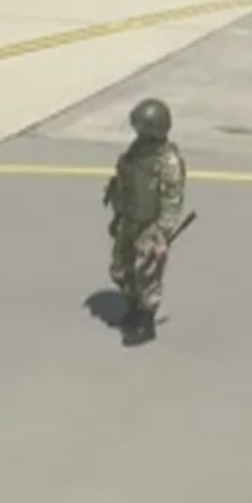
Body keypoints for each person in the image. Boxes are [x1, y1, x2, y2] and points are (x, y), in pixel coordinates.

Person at [103, 98, 187, 346]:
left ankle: (145, 321)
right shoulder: (137, 151)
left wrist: (162, 235)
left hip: (151, 226)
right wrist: (117, 215)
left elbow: (171, 199)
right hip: (129, 219)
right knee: (121, 268)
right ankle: (132, 306)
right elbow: (126, 184)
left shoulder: (167, 161)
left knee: (147, 274)